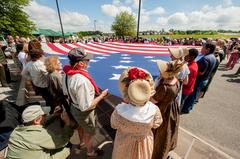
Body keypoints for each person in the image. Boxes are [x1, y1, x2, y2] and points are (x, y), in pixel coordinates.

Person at [62, 47, 108, 157]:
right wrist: (101, 96)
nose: (89, 61)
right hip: (84, 113)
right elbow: (86, 107)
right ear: (81, 64)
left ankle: (82, 143)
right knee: (89, 132)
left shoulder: (67, 73)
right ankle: (90, 152)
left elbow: (65, 92)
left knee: (81, 127)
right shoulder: (82, 81)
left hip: (74, 106)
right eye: (87, 60)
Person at [111, 67, 162, 159]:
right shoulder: (154, 110)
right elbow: (156, 124)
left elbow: (114, 125)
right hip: (144, 143)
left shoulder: (119, 111)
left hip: (123, 141)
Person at [6, 104, 73, 159]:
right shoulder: (40, 134)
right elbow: (63, 141)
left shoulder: (16, 130)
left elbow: (40, 122)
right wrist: (67, 124)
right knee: (67, 147)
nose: (46, 115)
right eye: (44, 115)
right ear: (37, 120)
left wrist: (54, 115)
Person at [151, 59, 182, 159]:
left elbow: (153, 100)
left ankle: (156, 154)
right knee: (168, 132)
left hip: (162, 111)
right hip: (172, 108)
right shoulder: (176, 80)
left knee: (160, 135)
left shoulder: (164, 87)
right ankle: (165, 149)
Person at [182, 43, 217, 113]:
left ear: (208, 49)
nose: (201, 49)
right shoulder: (213, 57)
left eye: (203, 48)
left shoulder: (205, 59)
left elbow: (201, 72)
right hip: (205, 79)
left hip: (200, 80)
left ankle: (186, 109)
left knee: (192, 96)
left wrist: (189, 71)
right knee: (194, 95)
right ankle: (188, 107)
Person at [21, 39, 53, 108]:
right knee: (50, 101)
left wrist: (32, 78)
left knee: (47, 99)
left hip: (37, 84)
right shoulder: (40, 62)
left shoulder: (29, 61)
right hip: (45, 85)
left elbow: (24, 73)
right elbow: (48, 74)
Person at [181, 48, 199, 113]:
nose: (185, 56)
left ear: (192, 57)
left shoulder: (191, 68)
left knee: (179, 105)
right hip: (187, 89)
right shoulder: (193, 64)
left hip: (185, 90)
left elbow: (187, 83)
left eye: (187, 55)